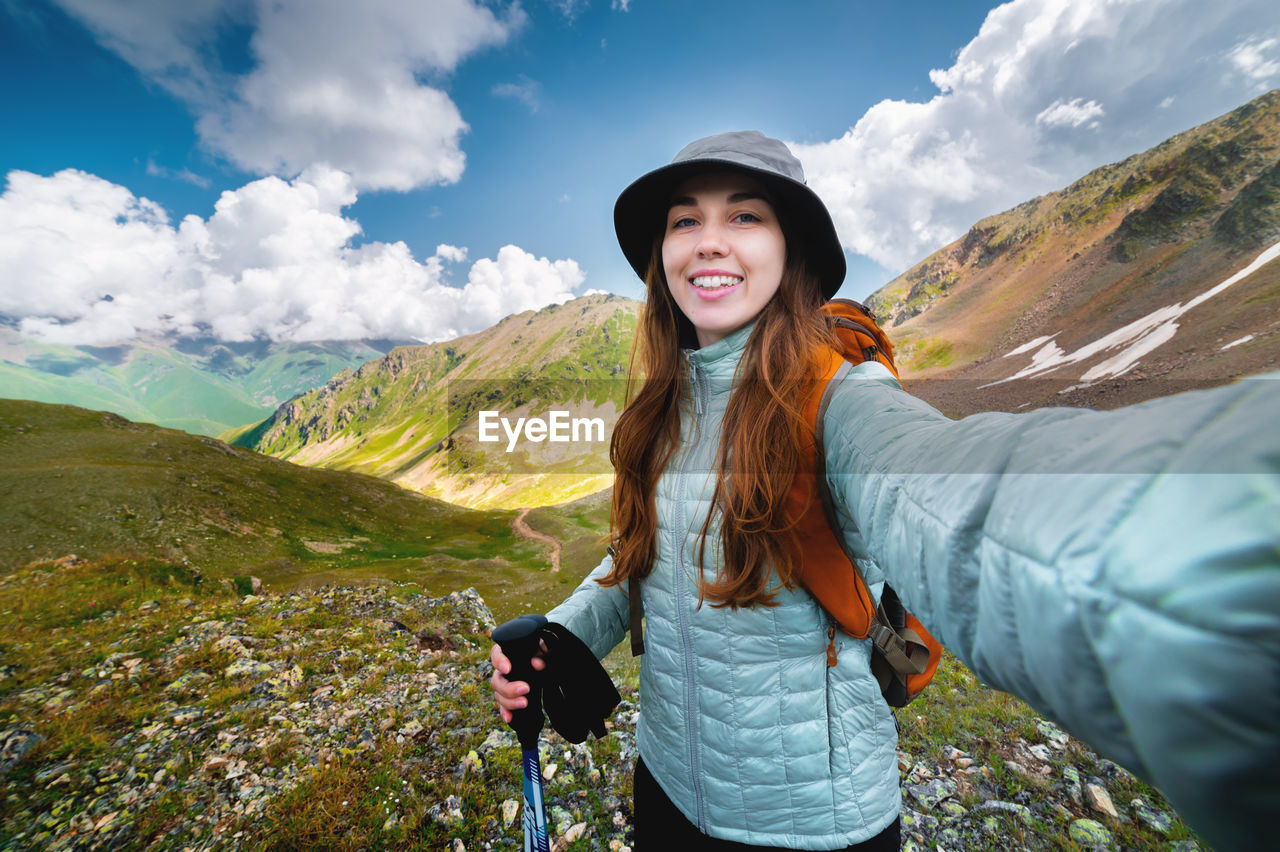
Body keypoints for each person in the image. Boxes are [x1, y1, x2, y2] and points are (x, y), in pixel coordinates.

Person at [490, 131, 1280, 851]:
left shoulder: (843, 401)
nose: (711, 243)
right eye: (684, 221)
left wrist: (1199, 588)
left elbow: (950, 497)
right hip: (664, 791)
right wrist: (559, 635)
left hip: (814, 822)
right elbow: (640, 561)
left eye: (746, 216)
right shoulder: (662, 410)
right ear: (662, 253)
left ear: (791, 250)